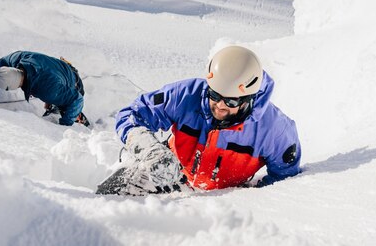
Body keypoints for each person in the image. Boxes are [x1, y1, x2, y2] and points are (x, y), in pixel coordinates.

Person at [97, 45, 301, 195]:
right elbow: (133, 114)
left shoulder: (274, 129)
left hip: (226, 196)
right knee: (112, 194)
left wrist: (250, 197)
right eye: (215, 95)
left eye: (231, 101)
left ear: (249, 99)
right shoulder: (187, 95)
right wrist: (150, 149)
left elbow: (285, 178)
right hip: (169, 173)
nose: (220, 105)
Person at [0, 50, 86, 126]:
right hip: (56, 69)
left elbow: (77, 99)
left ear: (11, 87)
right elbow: (3, 62)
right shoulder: (19, 59)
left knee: (66, 108)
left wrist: (65, 125)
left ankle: (83, 125)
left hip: (73, 83)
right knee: (53, 97)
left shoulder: (47, 90)